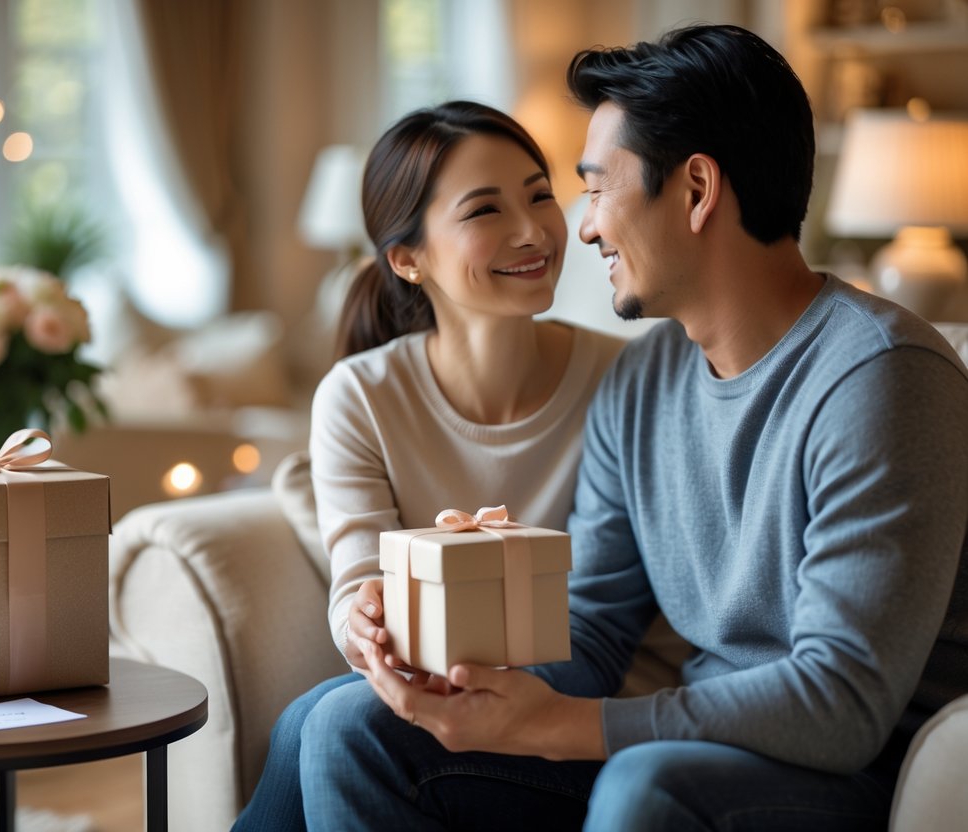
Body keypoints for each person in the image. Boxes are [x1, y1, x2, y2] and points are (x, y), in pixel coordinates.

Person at [296, 23, 968, 831]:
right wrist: (469, 678)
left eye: (594, 189)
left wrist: (551, 724)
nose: (580, 229)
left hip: (844, 771)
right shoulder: (641, 381)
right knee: (349, 728)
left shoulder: (880, 375)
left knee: (644, 787)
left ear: (693, 190)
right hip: (680, 747)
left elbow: (841, 701)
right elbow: (595, 628)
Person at [232, 102, 627, 830]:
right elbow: (358, 580)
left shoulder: (625, 379)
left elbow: (608, 622)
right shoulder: (360, 395)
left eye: (540, 194)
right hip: (439, 689)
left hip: (585, 707)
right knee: (313, 719)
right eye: (485, 210)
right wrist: (368, 625)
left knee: (321, 723)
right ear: (407, 259)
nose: (532, 230)